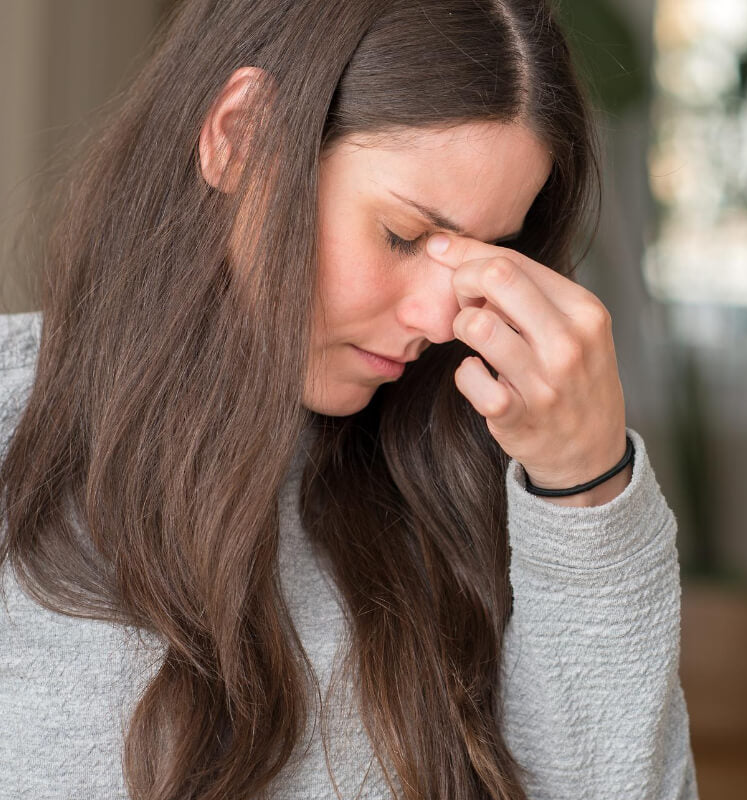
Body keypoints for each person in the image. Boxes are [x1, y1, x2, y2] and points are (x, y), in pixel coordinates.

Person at [0, 0, 697, 798]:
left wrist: (587, 491)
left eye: (486, 256)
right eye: (403, 236)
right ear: (240, 137)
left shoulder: (484, 478)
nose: (442, 321)